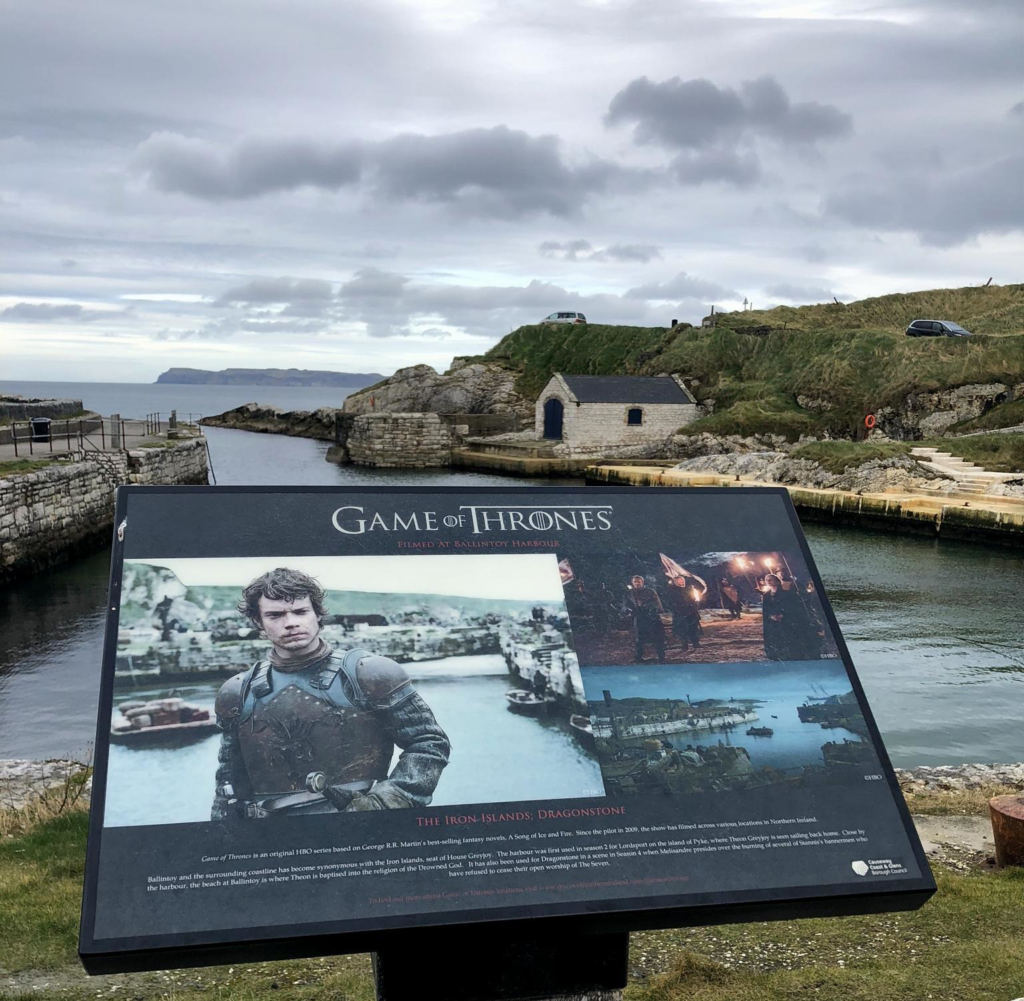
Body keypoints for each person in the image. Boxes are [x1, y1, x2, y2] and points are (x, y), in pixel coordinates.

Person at [212, 568, 450, 820]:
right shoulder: (238, 691)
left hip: (363, 826)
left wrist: (388, 801)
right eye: (275, 615)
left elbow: (428, 742)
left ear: (317, 614)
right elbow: (229, 780)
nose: (291, 622)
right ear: (259, 622)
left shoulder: (368, 673)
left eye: (301, 611)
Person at [624, 575, 666, 662]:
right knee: (639, 638)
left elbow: (657, 604)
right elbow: (626, 605)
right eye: (635, 582)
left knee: (658, 637)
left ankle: (661, 656)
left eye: (638, 582)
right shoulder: (629, 593)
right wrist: (628, 611)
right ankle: (639, 657)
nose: (637, 584)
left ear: (642, 582)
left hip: (652, 617)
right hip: (639, 618)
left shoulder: (650, 592)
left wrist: (646, 606)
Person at [665, 577, 702, 652]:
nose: (682, 583)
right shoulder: (672, 591)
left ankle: (696, 643)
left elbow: (694, 598)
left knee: (693, 628)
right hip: (680, 613)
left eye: (683, 581)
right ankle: (684, 645)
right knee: (682, 630)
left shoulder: (689, 589)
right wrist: (677, 608)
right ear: (675, 582)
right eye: (680, 581)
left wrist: (695, 604)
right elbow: (670, 602)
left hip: (691, 612)